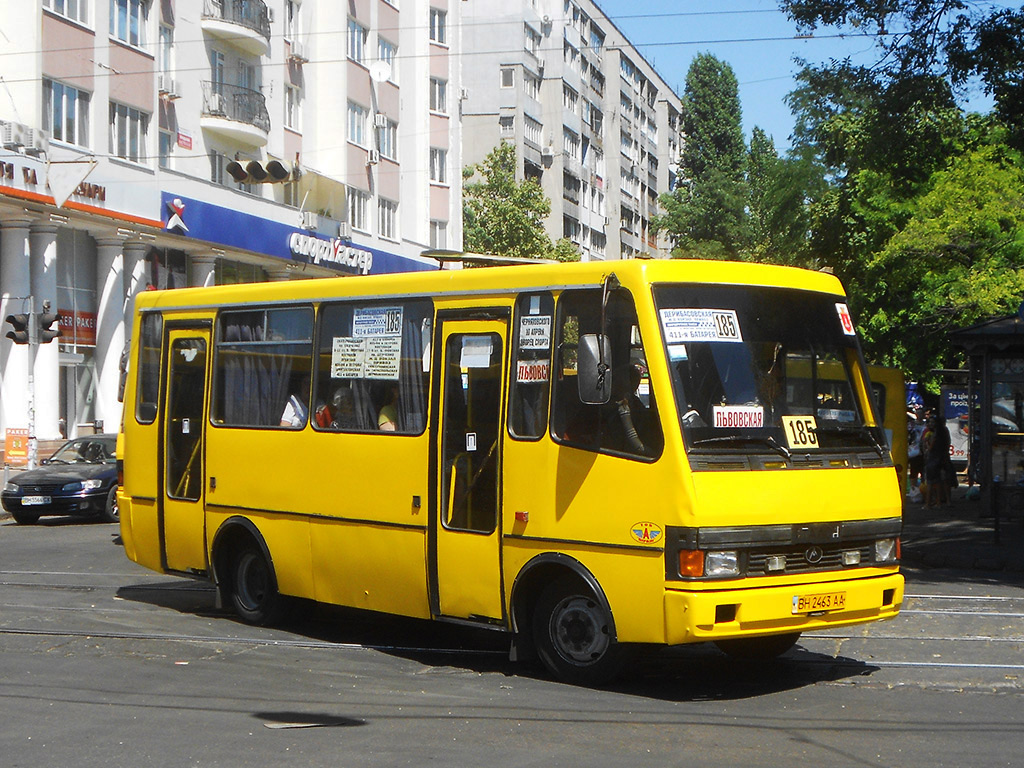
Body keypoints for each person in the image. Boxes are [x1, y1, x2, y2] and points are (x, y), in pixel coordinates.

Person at [923, 412, 951, 507]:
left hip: (934, 458)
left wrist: (926, 444)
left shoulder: (933, 434)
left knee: (931, 481)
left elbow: (930, 448)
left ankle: (928, 503)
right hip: (942, 457)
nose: (931, 424)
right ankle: (941, 501)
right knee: (940, 481)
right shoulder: (944, 432)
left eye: (932, 422)